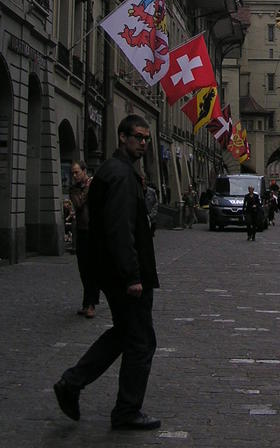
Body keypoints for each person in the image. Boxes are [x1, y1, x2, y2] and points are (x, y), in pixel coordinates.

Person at [54, 114, 160, 430]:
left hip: (113, 272)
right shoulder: (122, 176)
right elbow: (119, 229)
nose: (142, 142)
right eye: (137, 137)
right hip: (125, 275)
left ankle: (72, 382)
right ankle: (126, 410)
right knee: (141, 341)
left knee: (123, 335)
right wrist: (132, 276)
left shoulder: (115, 172)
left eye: (146, 138)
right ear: (122, 137)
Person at [69, 161, 100, 318]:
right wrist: (89, 186)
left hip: (94, 232)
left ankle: (91, 304)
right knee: (83, 269)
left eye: (77, 172)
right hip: (81, 232)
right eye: (73, 173)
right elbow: (79, 203)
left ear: (84, 171)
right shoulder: (74, 189)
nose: (74, 176)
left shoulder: (95, 186)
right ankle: (87, 302)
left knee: (91, 268)